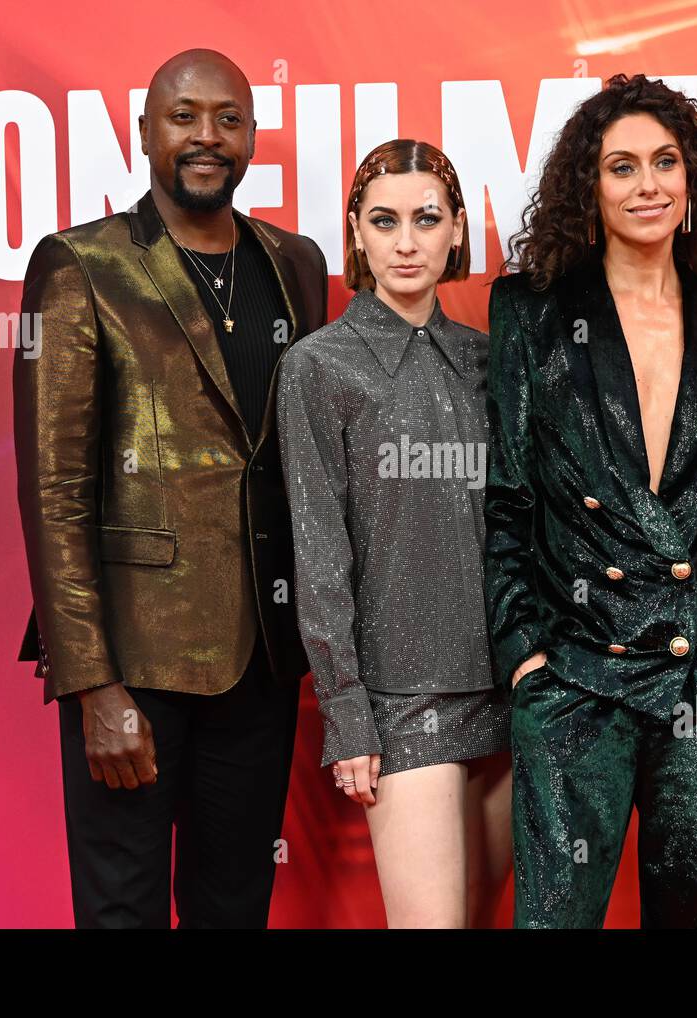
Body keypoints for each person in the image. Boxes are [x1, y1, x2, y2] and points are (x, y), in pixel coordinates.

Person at [12, 48, 328, 928]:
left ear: (253, 138)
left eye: (228, 118)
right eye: (184, 116)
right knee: (125, 912)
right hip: (133, 670)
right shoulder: (81, 265)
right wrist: (92, 687)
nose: (206, 137)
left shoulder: (295, 265)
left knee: (237, 907)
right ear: (145, 132)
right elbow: (55, 490)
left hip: (262, 663)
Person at [485, 73, 697, 928]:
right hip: (578, 679)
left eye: (666, 163)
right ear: (588, 187)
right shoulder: (533, 316)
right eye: (621, 167)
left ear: (692, 181)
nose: (648, 185)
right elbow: (508, 503)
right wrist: (526, 655)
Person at [277, 140, 512, 928]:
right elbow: (318, 550)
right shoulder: (318, 366)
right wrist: (347, 710)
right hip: (401, 697)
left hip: (513, 685)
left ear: (455, 234)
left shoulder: (489, 362)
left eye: (425, 219)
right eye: (385, 221)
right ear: (357, 232)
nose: (405, 242)